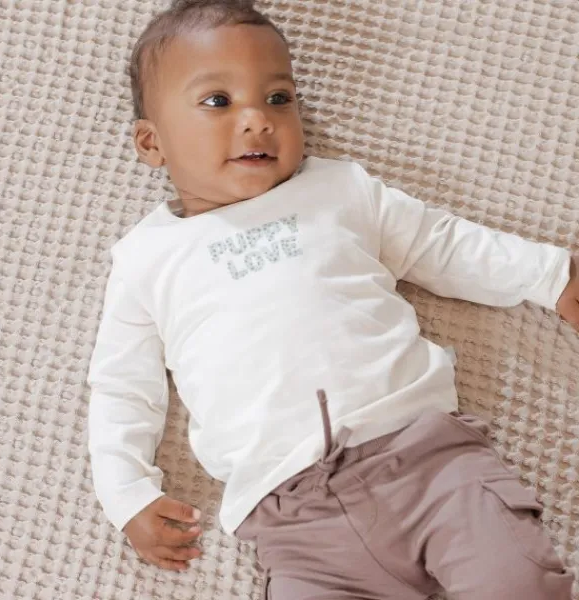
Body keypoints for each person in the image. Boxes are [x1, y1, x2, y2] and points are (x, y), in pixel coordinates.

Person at [87, 1, 579, 598]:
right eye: (218, 101)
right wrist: (126, 493)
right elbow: (121, 385)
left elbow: (440, 243)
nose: (257, 120)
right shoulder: (146, 259)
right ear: (151, 142)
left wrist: (551, 276)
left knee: (518, 581)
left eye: (278, 98)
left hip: (428, 463)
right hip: (297, 522)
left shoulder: (339, 191)